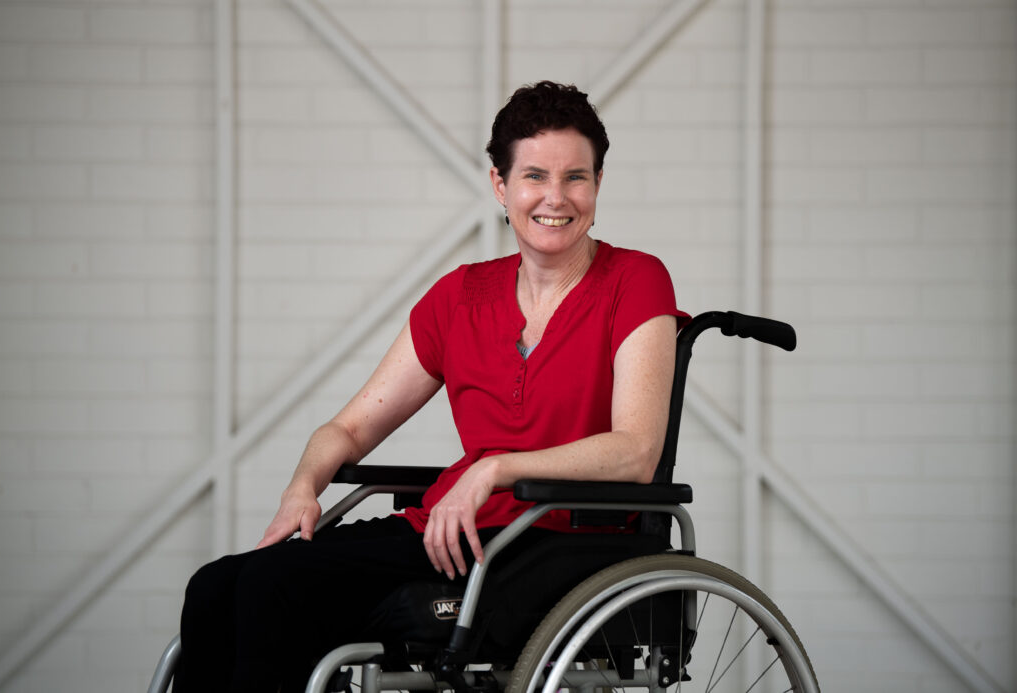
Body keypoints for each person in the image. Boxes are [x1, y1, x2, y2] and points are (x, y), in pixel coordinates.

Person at [174, 80, 691, 692]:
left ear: (598, 185)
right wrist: (302, 487)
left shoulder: (635, 280)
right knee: (215, 585)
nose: (556, 197)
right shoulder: (461, 296)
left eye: (576, 177)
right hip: (450, 531)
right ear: (500, 186)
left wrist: (494, 469)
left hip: (560, 535)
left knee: (273, 588)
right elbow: (348, 428)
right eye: (534, 176)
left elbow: (635, 451)